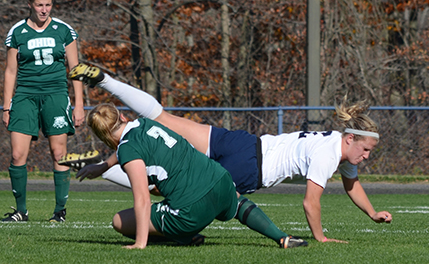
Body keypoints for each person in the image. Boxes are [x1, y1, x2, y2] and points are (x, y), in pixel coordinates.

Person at [68, 63, 393, 243]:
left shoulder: (335, 142)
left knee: (164, 120)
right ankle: (109, 172)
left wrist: (372, 212)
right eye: (365, 150)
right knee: (166, 187)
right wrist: (321, 238)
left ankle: (106, 80)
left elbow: (352, 183)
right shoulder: (327, 154)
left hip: (244, 143)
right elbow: (311, 202)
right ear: (350, 138)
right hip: (253, 168)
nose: (365, 157)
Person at [86, 103, 307, 249]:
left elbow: (142, 198)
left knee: (119, 221)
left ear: (103, 136)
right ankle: (282, 237)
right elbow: (129, 145)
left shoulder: (127, 150)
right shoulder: (145, 123)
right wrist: (104, 165)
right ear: (123, 116)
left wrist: (139, 243)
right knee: (236, 203)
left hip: (190, 210)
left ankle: (184, 235)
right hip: (220, 179)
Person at [2, 0, 85, 222]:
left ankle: (59, 212)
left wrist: (78, 104)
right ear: (29, 4)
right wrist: (6, 105)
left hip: (56, 96)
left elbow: (76, 69)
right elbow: (10, 71)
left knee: (59, 152)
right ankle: (21, 211)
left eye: (48, 5)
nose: (44, 10)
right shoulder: (17, 31)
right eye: (39, 5)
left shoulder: (64, 31)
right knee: (18, 155)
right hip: (25, 96)